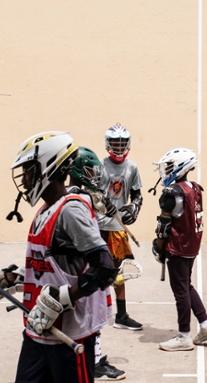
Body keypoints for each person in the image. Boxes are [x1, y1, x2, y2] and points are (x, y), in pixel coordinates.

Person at [0, 132, 119, 383]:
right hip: (38, 331)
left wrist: (63, 299)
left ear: (47, 167)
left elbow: (105, 268)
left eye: (29, 170)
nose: (24, 178)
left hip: (69, 336)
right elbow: (51, 266)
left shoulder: (70, 210)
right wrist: (10, 277)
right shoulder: (47, 209)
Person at [152, 147, 207, 351]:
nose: (167, 170)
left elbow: (164, 226)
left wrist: (159, 247)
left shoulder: (173, 192)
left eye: (171, 166)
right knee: (186, 286)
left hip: (178, 245)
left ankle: (184, 335)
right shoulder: (195, 188)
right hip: (191, 245)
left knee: (180, 291)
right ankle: (205, 325)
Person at [68, 146, 126, 381]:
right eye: (90, 171)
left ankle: (96, 357)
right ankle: (94, 361)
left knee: (95, 315)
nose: (95, 175)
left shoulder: (79, 195)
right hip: (84, 266)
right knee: (91, 316)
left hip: (86, 263)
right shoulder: (77, 199)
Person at [101, 124, 143, 331]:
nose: (118, 147)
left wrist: (135, 207)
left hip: (117, 226)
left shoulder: (132, 167)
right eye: (115, 143)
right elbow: (90, 194)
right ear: (108, 144)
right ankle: (94, 309)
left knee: (118, 271)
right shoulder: (100, 166)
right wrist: (101, 204)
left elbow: (137, 194)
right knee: (95, 268)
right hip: (98, 226)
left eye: (122, 143)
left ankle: (121, 315)